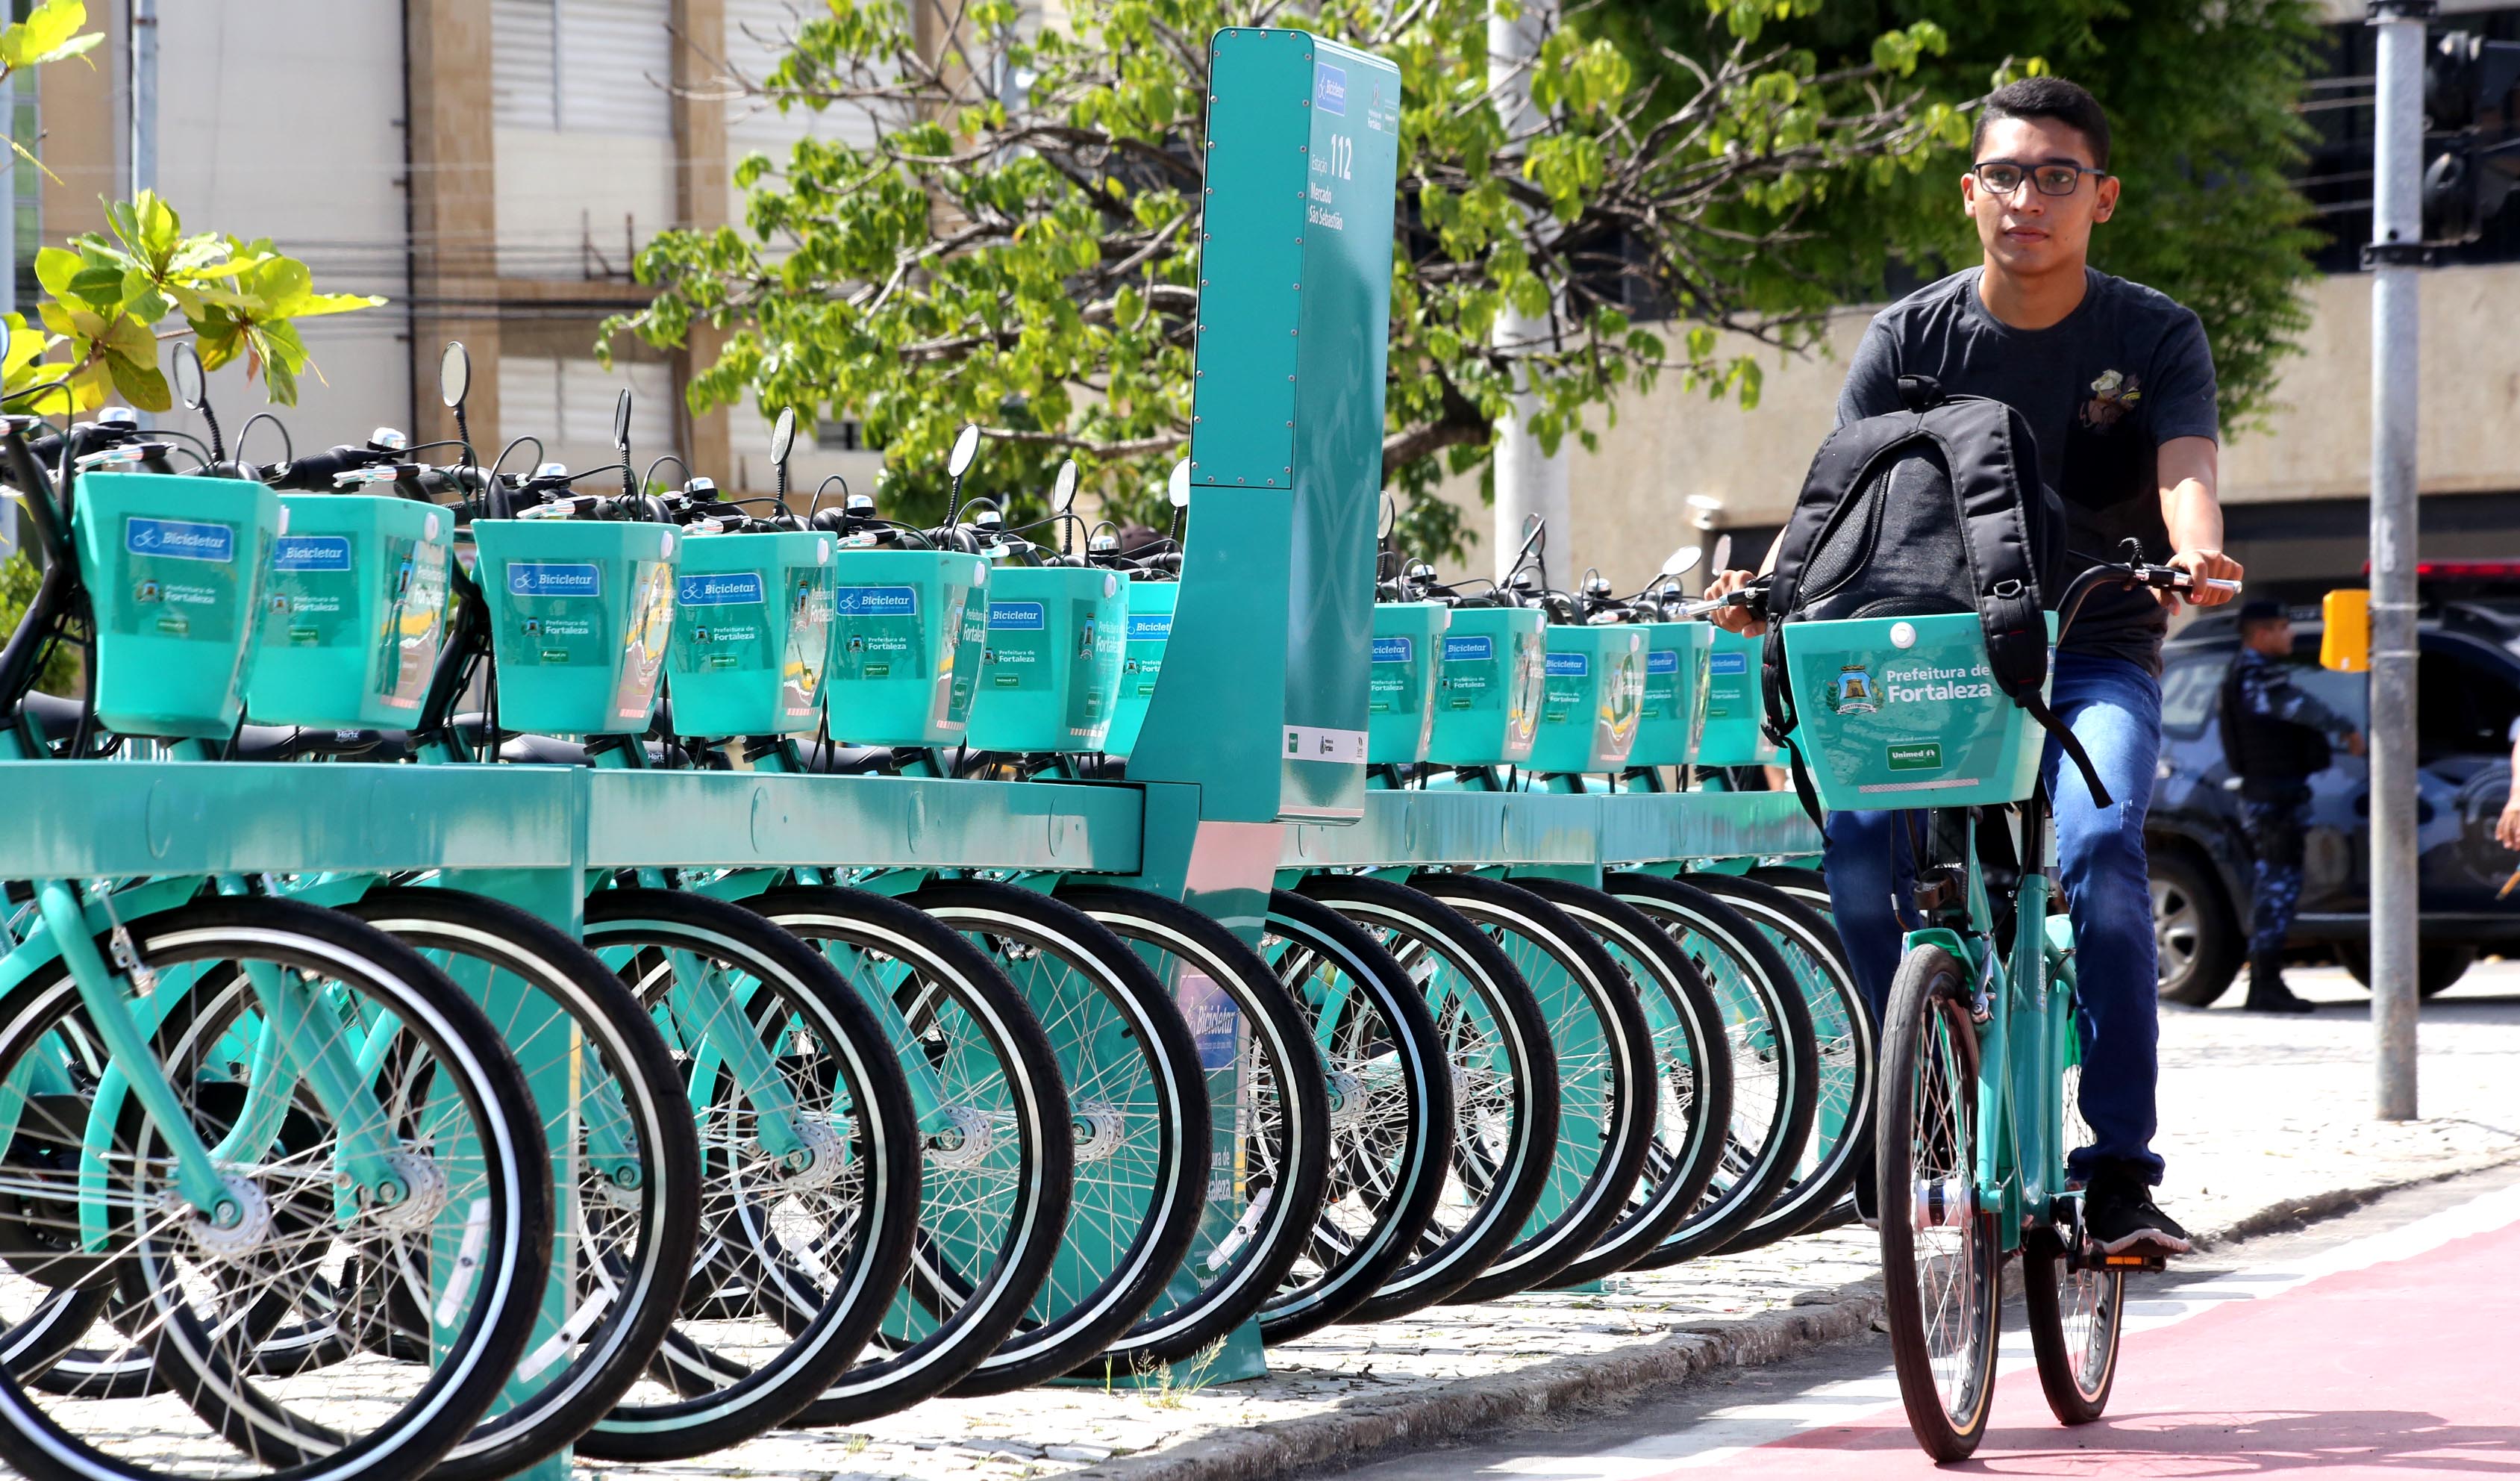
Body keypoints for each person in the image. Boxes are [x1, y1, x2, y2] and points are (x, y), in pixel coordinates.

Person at [1702, 76, 2241, 1259]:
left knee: (2100, 854)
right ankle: (1919, 1102)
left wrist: (2196, 556)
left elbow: (2184, 465)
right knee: (1851, 845)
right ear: (1970, 195)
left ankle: (2115, 1172)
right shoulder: (1910, 335)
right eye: (2004, 176)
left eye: (2056, 178)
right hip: (1930, 658)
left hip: (2090, 646)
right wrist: (1772, 586)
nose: (2027, 199)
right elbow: (1837, 489)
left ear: (2100, 198)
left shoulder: (2151, 334)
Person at [2219, 600, 2364, 1014]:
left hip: (2278, 795)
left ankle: (2267, 981)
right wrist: (2345, 726)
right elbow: (2294, 706)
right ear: (2262, 634)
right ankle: (2265, 983)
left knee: (2278, 887)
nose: (2291, 635)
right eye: (2283, 627)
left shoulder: (2255, 672)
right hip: (2272, 799)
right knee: (2276, 889)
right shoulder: (2253, 674)